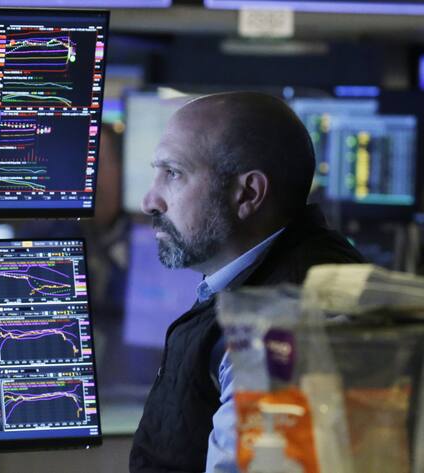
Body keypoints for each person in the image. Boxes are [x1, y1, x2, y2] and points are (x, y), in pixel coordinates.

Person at [128, 91, 364, 473]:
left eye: (173, 173)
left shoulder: (284, 323)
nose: (150, 200)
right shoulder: (255, 284)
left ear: (248, 193)